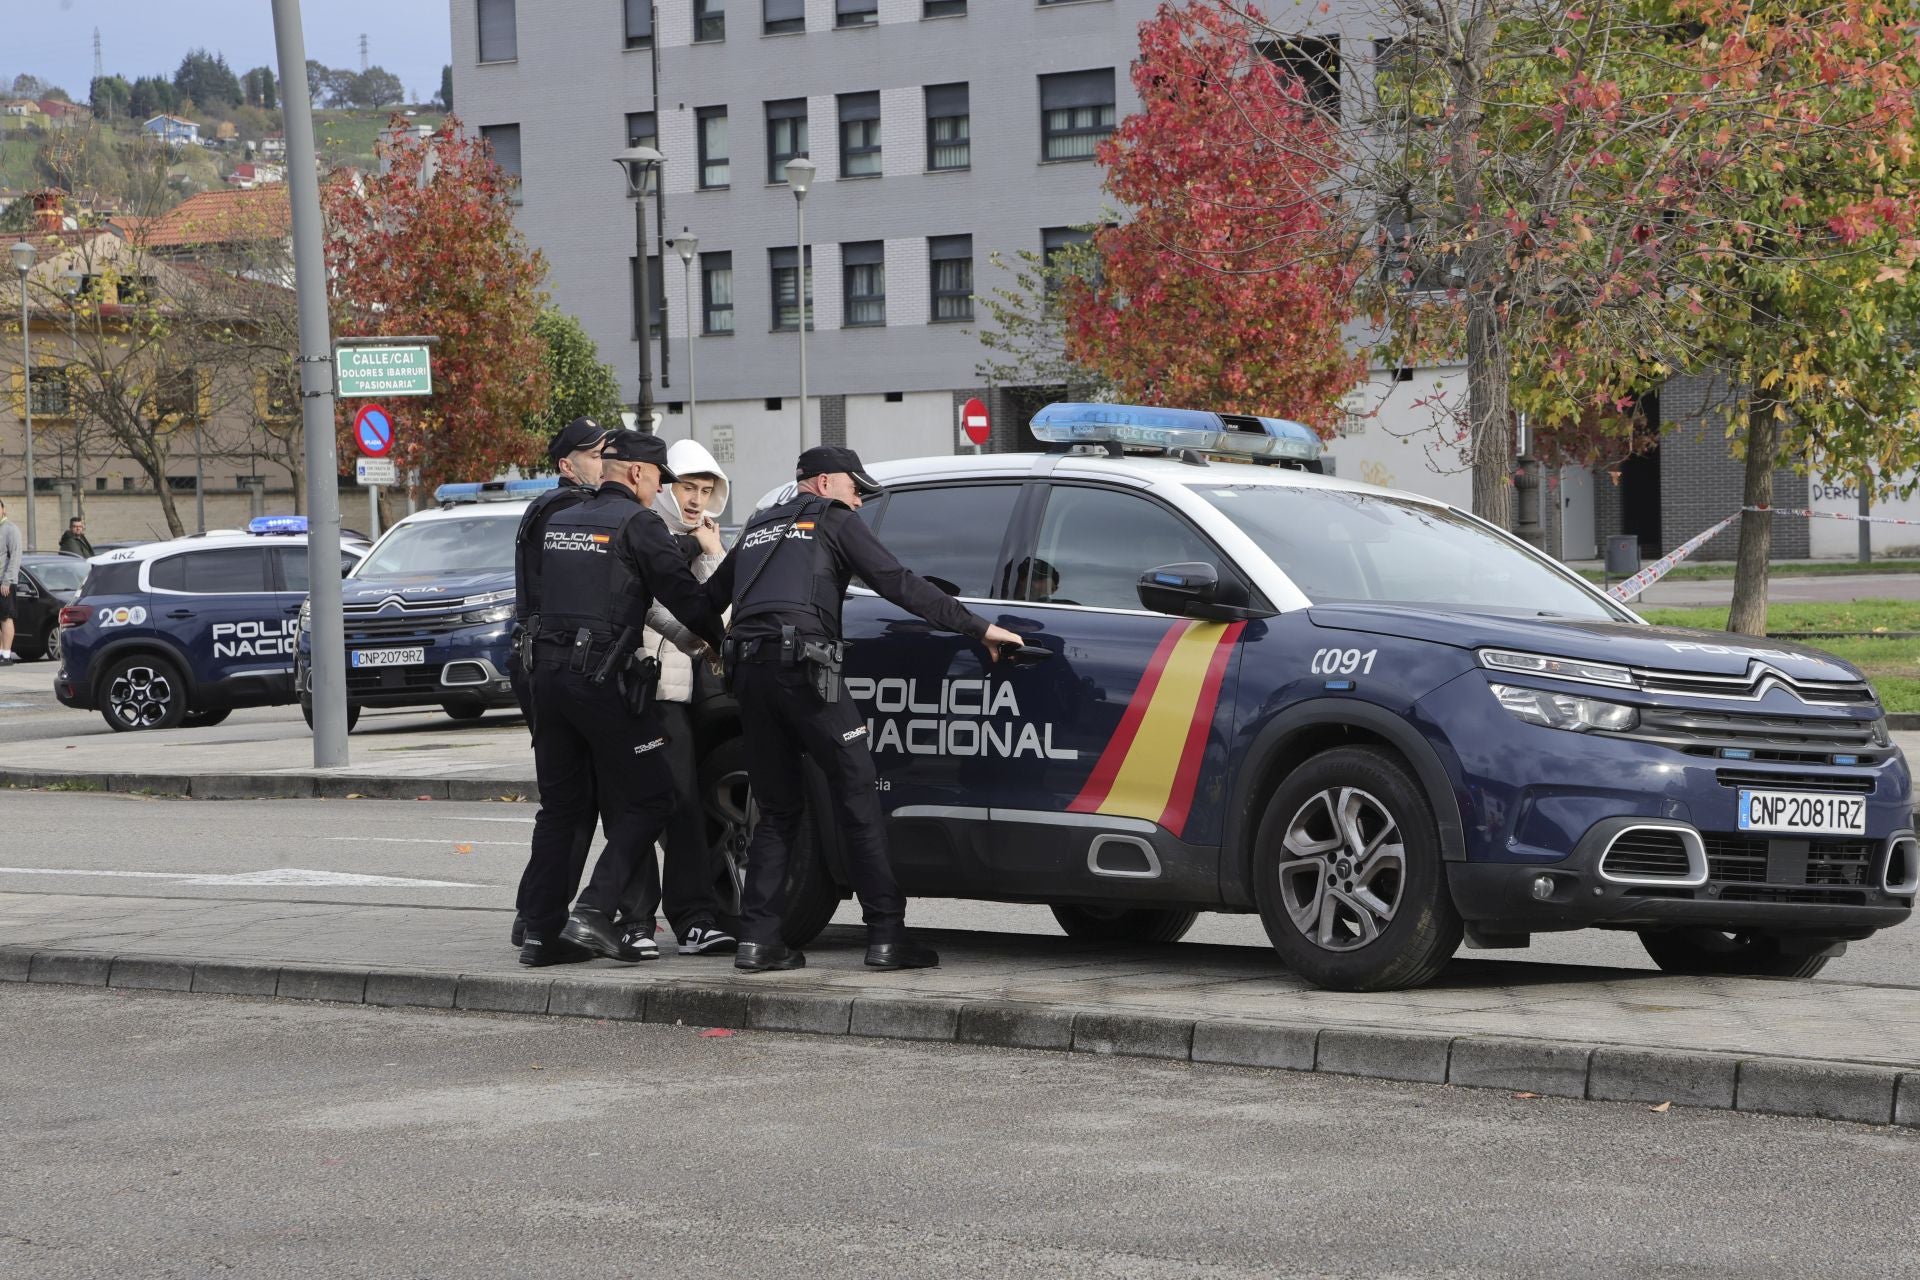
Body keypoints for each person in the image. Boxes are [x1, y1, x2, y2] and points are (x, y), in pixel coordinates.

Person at [707, 445, 1025, 972]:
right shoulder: (834, 519)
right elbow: (897, 583)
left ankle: (758, 940)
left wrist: (721, 644)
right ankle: (886, 937)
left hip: (750, 674)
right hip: (805, 673)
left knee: (777, 809)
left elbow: (703, 600)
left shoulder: (759, 527)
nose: (860, 502)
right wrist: (979, 627)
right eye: (857, 489)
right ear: (827, 483)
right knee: (856, 793)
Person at [518, 430, 725, 967]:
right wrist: (719, 642)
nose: (661, 486)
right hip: (600, 682)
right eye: (660, 476)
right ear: (637, 473)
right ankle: (592, 909)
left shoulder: (563, 520)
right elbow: (688, 598)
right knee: (654, 795)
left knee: (562, 809)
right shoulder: (639, 524)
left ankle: (540, 937)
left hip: (548, 680)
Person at [614, 438, 736, 958]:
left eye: (707, 491)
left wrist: (714, 556)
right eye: (688, 487)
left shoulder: (702, 538)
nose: (697, 500)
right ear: (664, 484)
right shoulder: (638, 531)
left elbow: (722, 615)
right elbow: (652, 607)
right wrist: (697, 639)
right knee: (636, 807)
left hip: (678, 694)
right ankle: (636, 922)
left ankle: (695, 920)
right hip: (633, 689)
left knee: (686, 805)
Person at [505, 417, 608, 951]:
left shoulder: (549, 507)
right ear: (569, 465)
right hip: (556, 662)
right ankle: (540, 920)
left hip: (539, 660)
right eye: (594, 454)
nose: (603, 460)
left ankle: (535, 914)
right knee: (571, 802)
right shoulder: (570, 512)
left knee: (570, 802)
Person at [0, 499, 20, 665]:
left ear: (3, 510)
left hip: (4, 583)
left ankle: (6, 655)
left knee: (5, 618)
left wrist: (7, 581)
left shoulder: (10, 529)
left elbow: (15, 557)